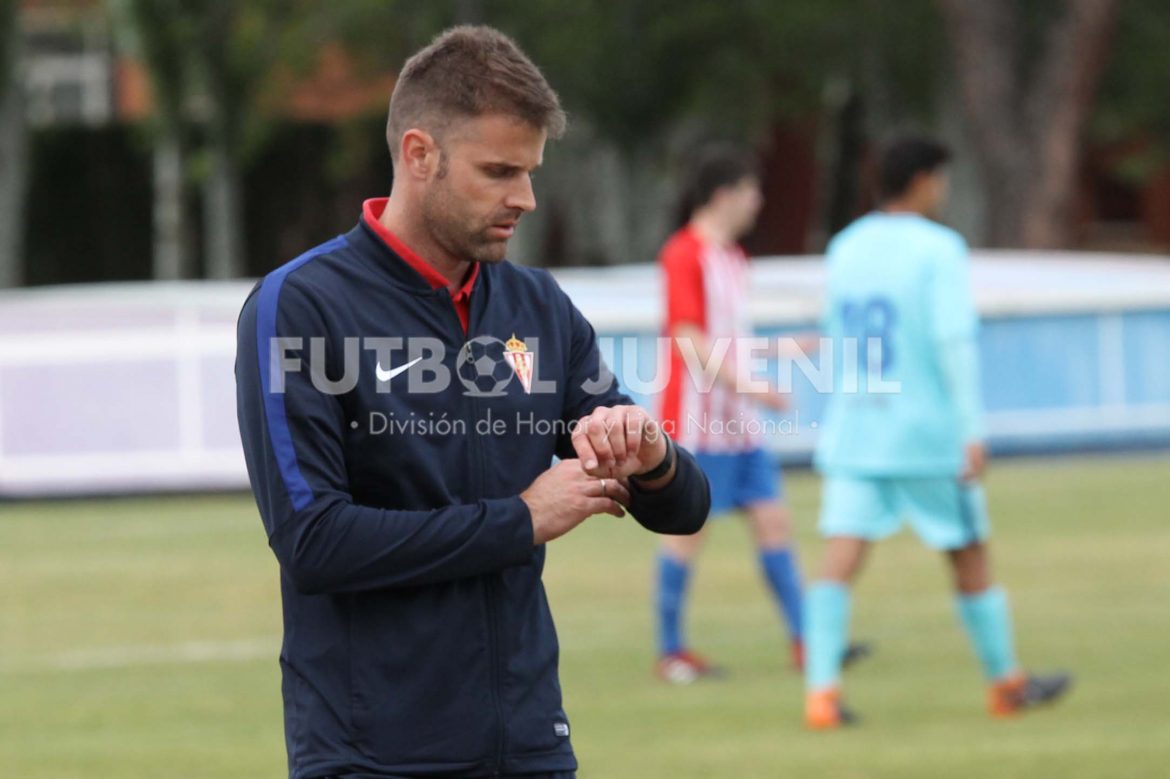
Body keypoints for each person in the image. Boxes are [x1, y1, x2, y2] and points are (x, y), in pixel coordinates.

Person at [235, 26, 710, 778]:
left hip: (529, 746)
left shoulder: (536, 303)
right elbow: (313, 540)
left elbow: (681, 506)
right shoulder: (300, 307)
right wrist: (521, 519)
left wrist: (650, 453)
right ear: (419, 155)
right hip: (370, 756)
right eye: (498, 171)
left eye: (529, 172)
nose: (523, 197)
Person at [804, 134, 1071, 728]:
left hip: (856, 429)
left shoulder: (845, 247)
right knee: (970, 554)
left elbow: (835, 338)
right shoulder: (939, 249)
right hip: (924, 433)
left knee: (839, 559)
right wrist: (970, 430)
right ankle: (1006, 683)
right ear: (924, 180)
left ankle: (820, 694)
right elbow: (954, 343)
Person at [653, 144, 844, 682]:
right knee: (685, 533)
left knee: (774, 521)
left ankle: (808, 641)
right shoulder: (684, 254)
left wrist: (782, 351)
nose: (758, 201)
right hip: (698, 421)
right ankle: (671, 653)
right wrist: (754, 389)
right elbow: (689, 341)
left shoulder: (734, 260)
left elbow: (729, 340)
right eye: (751, 190)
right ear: (724, 195)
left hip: (739, 424)